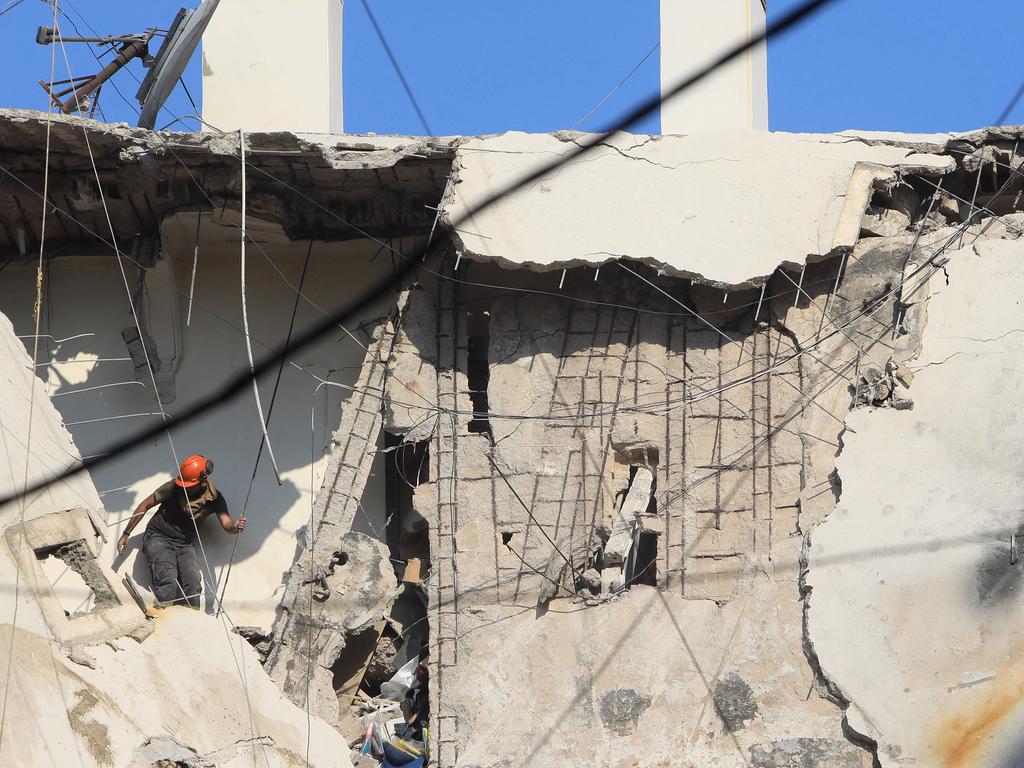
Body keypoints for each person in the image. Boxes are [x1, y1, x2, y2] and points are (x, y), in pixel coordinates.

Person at [116, 453, 246, 609]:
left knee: (193, 582)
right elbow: (145, 505)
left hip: (184, 544)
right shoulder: (173, 487)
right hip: (158, 536)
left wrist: (235, 526)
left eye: (189, 487)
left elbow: (227, 524)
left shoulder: (215, 499)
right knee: (168, 579)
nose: (185, 489)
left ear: (203, 480)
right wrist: (126, 533)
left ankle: (190, 621)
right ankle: (161, 617)